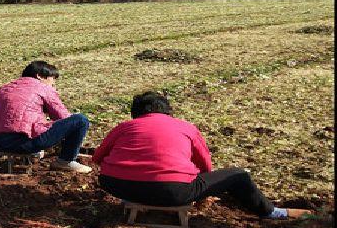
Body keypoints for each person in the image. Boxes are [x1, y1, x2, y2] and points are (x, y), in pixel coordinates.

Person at [92, 91, 308, 219]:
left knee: (137, 183)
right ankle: (272, 213)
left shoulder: (125, 126)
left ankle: (132, 198)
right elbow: (205, 165)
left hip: (116, 185)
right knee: (238, 175)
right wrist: (201, 187)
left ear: (135, 112)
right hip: (174, 191)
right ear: (168, 111)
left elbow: (97, 158)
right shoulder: (186, 127)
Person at [0, 60, 92, 173]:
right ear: (40, 76)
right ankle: (65, 161)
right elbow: (63, 117)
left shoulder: (3, 88)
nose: (53, 85)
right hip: (21, 143)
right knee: (80, 120)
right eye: (52, 82)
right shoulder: (43, 88)